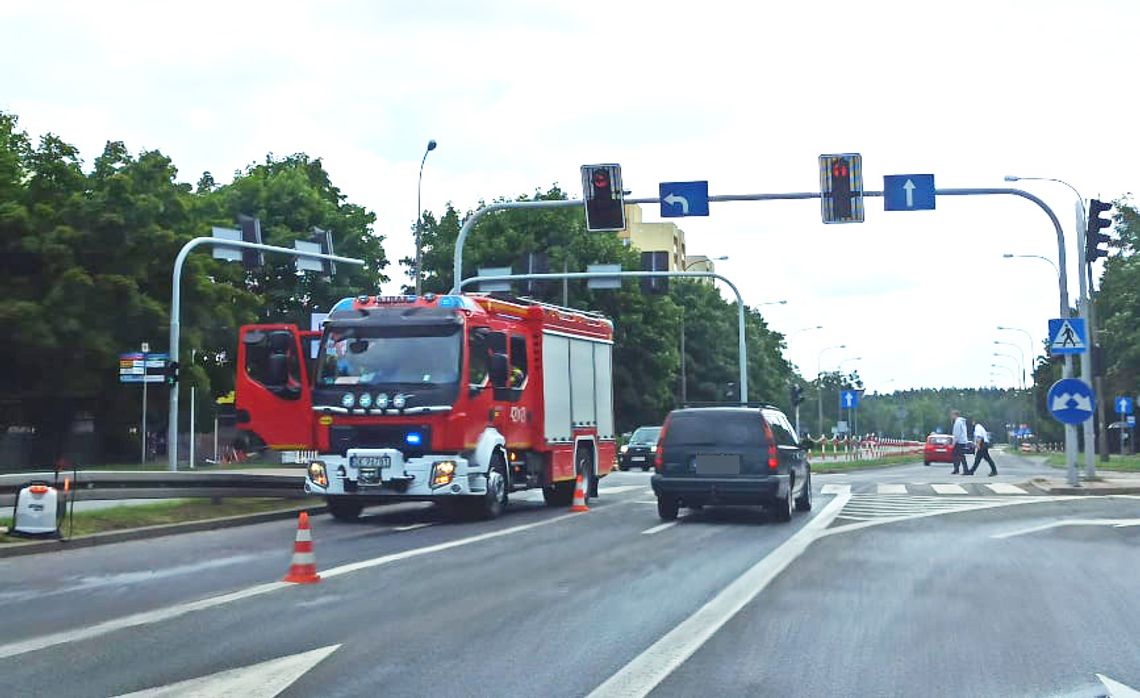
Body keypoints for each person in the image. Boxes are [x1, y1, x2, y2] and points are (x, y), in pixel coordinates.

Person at [950, 409, 970, 475]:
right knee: (959, 455)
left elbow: (956, 433)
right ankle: (957, 469)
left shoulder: (958, 422)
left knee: (958, 455)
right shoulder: (962, 421)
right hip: (963, 440)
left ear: (955, 415)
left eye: (952, 415)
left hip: (959, 441)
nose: (951, 416)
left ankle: (963, 470)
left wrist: (953, 442)